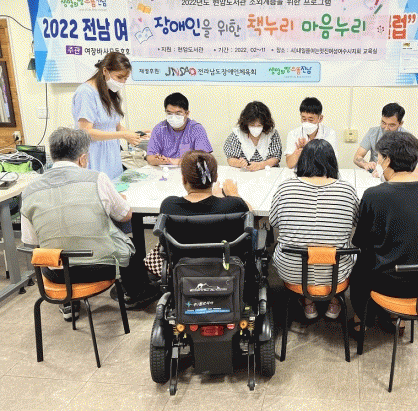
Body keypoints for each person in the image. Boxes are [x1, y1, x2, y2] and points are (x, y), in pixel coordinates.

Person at [20, 128, 158, 321]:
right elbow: (126, 216)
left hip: (57, 275)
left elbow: (31, 240)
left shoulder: (29, 190)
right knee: (128, 245)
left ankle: (68, 302)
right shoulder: (97, 179)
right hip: (101, 268)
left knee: (53, 249)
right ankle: (136, 294)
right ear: (83, 159)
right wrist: (118, 199)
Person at [351, 131, 418, 336]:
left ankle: (362, 320)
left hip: (390, 286)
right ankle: (397, 319)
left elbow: (361, 241)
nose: (378, 161)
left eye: (379, 157)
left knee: (361, 262)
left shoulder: (374, 195)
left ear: (387, 160)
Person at [270, 139, 358, 319]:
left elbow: (273, 222)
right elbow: (356, 221)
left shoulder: (286, 187)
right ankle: (334, 300)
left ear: (303, 161)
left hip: (292, 270)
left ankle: (307, 302)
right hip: (336, 273)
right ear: (332, 162)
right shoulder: (347, 190)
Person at [72, 51, 140, 180]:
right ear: (105, 71)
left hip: (112, 156)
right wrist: (123, 135)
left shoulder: (109, 92)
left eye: (125, 79)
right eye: (119, 77)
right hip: (93, 155)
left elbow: (116, 126)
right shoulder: (86, 92)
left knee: (114, 187)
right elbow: (86, 132)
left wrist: (135, 135)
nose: (122, 82)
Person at [159, 150, 250, 244]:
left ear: (184, 179)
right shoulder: (234, 205)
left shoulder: (168, 206)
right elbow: (249, 214)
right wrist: (233, 194)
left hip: (179, 254)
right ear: (215, 177)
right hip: (224, 253)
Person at [146, 92, 213, 166]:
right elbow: (150, 157)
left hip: (189, 170)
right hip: (164, 170)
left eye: (178, 113)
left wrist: (174, 161)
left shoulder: (196, 129)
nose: (173, 117)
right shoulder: (159, 129)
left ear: (187, 113)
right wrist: (158, 161)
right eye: (169, 113)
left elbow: (203, 158)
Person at [223, 101, 282, 171]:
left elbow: (276, 158)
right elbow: (230, 159)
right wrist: (239, 163)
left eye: (259, 125)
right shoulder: (237, 135)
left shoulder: (272, 134)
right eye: (252, 125)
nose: (256, 128)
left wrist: (261, 165)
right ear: (246, 123)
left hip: (268, 172)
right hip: (245, 173)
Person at [284, 97, 337, 169]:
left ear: (320, 118)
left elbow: (331, 163)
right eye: (304, 119)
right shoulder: (293, 133)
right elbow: (290, 165)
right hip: (300, 172)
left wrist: (308, 151)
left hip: (321, 173)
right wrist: (297, 153)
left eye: (311, 119)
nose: (307, 123)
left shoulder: (329, 133)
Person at [353, 103, 405, 173]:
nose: (386, 128)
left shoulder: (407, 138)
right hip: (374, 173)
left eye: (391, 125)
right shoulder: (373, 132)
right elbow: (357, 157)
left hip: (396, 175)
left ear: (400, 124)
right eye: (383, 123)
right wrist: (365, 164)